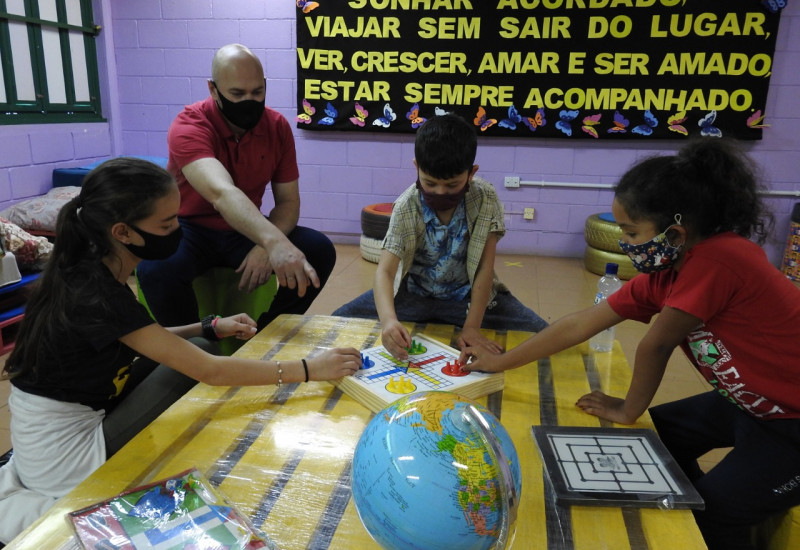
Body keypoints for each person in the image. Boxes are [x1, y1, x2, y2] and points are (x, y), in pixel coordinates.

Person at [460, 138, 800, 550]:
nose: (624, 242)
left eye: (631, 231)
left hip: (791, 423)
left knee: (717, 512)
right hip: (751, 404)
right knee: (659, 440)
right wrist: (503, 362)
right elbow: (581, 323)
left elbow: (656, 345)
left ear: (675, 232)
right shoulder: (667, 271)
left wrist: (628, 408)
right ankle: (725, 493)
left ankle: (725, 515)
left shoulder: (721, 259)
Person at [0, 158, 360, 544]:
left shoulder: (91, 266)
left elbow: (141, 336)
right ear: (123, 232)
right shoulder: (95, 291)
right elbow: (212, 372)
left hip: (70, 415)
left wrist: (208, 325)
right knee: (193, 363)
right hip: (63, 456)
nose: (177, 231)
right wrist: (308, 368)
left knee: (199, 342)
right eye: (168, 224)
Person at [136, 43, 336, 330]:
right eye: (237, 94)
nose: (249, 102)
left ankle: (267, 332)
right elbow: (221, 193)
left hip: (243, 229)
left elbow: (289, 202)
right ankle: (196, 345)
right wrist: (273, 242)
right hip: (189, 229)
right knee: (155, 268)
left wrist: (263, 244)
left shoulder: (277, 127)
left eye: (257, 92)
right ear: (213, 89)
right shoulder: (190, 125)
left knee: (319, 249)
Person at [333, 113, 548, 360]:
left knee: (542, 334)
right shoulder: (406, 205)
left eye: (452, 185)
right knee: (337, 321)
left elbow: (484, 268)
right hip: (411, 296)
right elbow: (385, 272)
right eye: (430, 183)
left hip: (466, 299)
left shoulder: (485, 198)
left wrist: (472, 327)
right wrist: (389, 321)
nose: (440, 192)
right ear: (417, 168)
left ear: (471, 172)